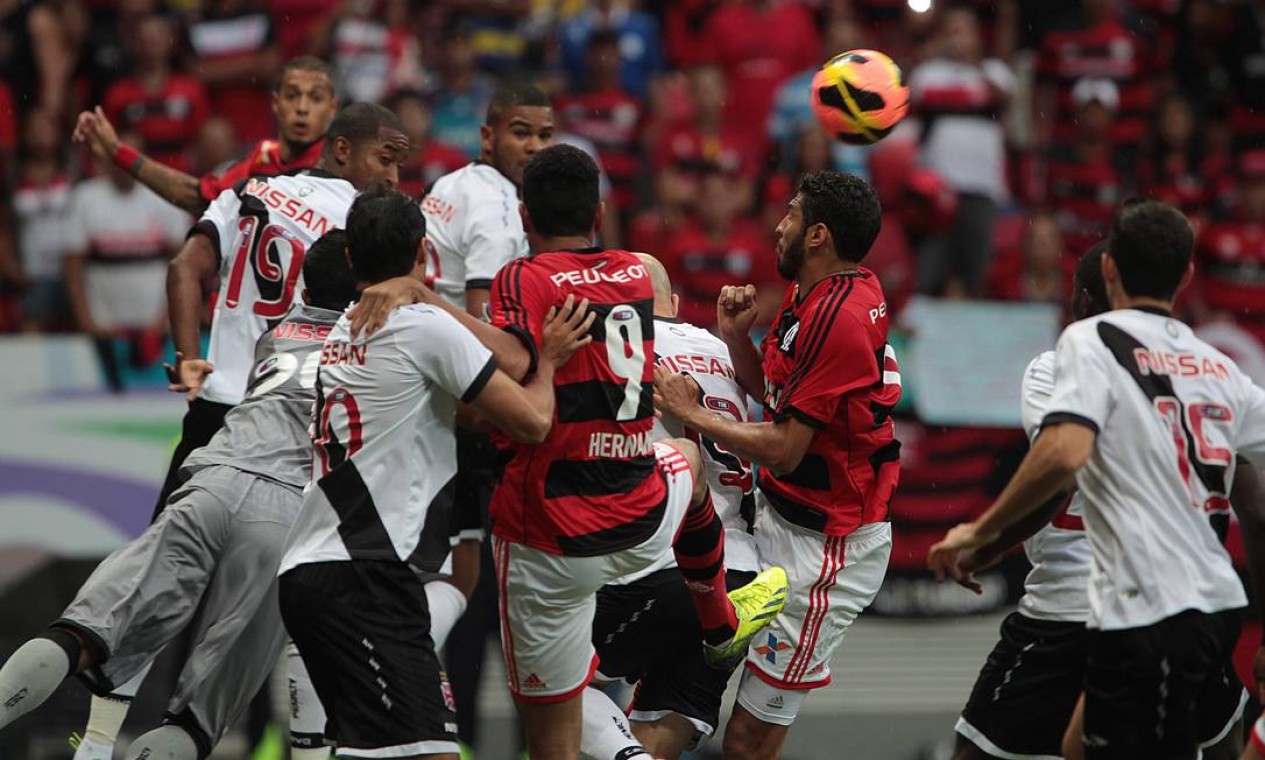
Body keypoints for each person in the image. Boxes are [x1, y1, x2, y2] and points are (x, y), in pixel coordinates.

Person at [349, 145, 788, 760]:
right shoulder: (636, 276)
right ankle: (718, 619)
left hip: (555, 533)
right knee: (684, 464)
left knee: (554, 729)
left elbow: (515, 364)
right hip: (643, 510)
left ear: (525, 216)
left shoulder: (523, 278)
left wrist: (429, 298)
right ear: (601, 212)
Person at [63, 102, 407, 757]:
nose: (391, 174)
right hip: (279, 407)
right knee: (286, 596)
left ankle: (106, 743)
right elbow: (190, 225)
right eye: (295, 93)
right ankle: (166, 738)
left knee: (157, 585)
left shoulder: (249, 186)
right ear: (336, 144)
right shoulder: (360, 222)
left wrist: (120, 155)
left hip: (233, 399)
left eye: (316, 92)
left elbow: (190, 226)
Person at [0, 231, 359, 760]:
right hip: (285, 516)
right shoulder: (383, 342)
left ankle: (95, 742)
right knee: (193, 723)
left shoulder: (277, 333)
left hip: (211, 481)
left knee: (78, 634)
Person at [927, 200, 1265, 758]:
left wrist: (979, 535)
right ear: (1186, 275)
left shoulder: (1086, 344)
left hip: (1125, 602)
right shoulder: (1219, 367)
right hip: (1211, 605)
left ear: (1108, 273)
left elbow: (1062, 461)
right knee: (1199, 745)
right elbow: (1253, 506)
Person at [277, 184, 593, 760]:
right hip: (366, 577)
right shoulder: (423, 327)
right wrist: (549, 358)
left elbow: (455, 407)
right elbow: (531, 422)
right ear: (424, 251)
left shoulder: (344, 329)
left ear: (352, 259)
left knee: (367, 751)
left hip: (311, 568)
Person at [653, 170, 900, 760]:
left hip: (827, 553)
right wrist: (736, 339)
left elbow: (787, 446)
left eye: (790, 214)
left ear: (818, 235)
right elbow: (779, 396)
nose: (778, 224)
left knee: (747, 744)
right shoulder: (811, 292)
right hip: (778, 520)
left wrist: (696, 415)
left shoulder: (838, 317)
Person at [583, 252, 762, 760]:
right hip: (739, 571)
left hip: (657, 565)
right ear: (676, 304)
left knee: (546, 675)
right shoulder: (727, 352)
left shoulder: (612, 341)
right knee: (658, 734)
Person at [72, 56, 339, 215]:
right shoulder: (260, 159)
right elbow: (196, 196)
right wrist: (118, 152)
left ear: (332, 108)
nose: (302, 108)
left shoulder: (342, 169)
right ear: (275, 102)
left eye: (315, 98)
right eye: (293, 96)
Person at [62, 132, 190, 391]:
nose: (125, 165)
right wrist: (86, 321)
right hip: (104, 328)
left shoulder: (164, 197)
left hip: (155, 327)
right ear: (107, 159)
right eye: (119, 157)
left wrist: (167, 319)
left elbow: (182, 265)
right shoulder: (85, 198)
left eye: (132, 158)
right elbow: (73, 267)